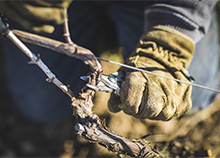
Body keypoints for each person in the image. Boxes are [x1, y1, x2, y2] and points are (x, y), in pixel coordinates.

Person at [0, 0, 219, 123]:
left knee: (193, 93)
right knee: (40, 104)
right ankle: (104, 32)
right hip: (60, 6)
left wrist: (170, 43)